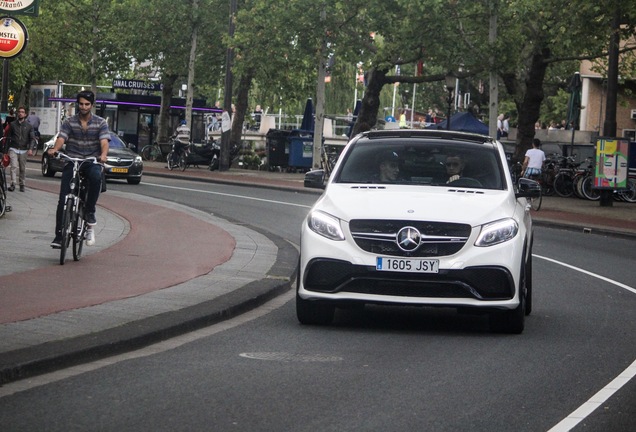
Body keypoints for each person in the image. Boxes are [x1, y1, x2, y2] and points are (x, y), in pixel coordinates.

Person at [48, 90, 109, 249]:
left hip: (91, 161)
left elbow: (104, 141)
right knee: (63, 199)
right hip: (73, 160)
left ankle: (89, 212)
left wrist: (103, 155)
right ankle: (59, 237)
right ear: (77, 104)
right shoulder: (69, 122)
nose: (83, 107)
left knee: (96, 176)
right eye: (81, 104)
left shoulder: (101, 122)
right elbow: (62, 138)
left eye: (87, 104)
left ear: (92, 105)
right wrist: (55, 149)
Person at [5, 106, 37, 192]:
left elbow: (32, 138)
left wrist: (30, 149)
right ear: (17, 113)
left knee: (22, 168)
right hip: (13, 148)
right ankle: (13, 184)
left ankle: (22, 184)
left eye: (22, 112)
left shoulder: (29, 126)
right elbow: (8, 138)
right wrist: (5, 151)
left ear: (25, 114)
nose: (20, 113)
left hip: (24, 149)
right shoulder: (12, 124)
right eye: (19, 112)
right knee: (13, 166)